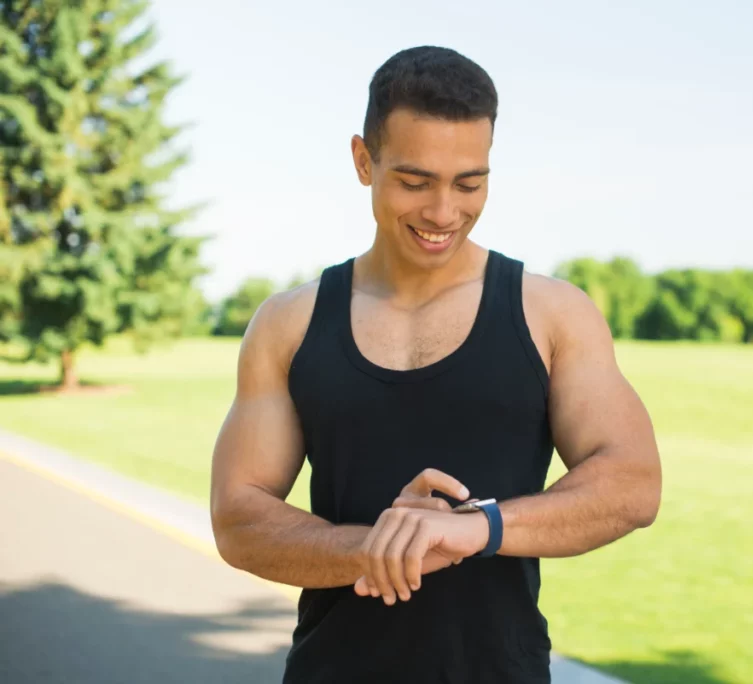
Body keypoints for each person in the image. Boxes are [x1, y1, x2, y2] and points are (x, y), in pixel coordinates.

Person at [209, 45, 661, 684]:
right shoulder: (289, 323)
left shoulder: (553, 312)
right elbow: (238, 518)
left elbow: (633, 483)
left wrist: (480, 528)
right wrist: (378, 549)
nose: (444, 213)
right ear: (364, 161)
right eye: (415, 182)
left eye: (470, 183)